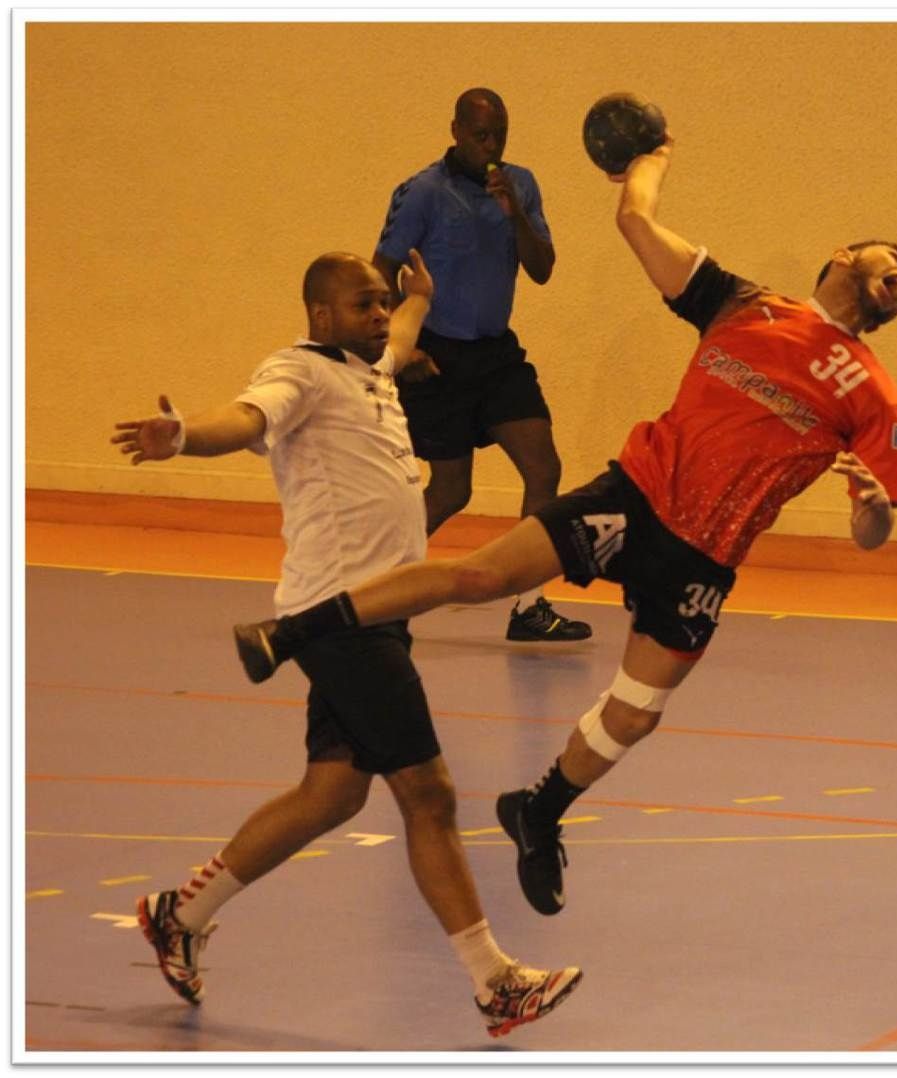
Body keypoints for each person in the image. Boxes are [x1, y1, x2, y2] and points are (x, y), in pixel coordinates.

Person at [232, 132, 897, 921]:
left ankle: (540, 808)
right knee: (481, 575)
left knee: (636, 712)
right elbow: (635, 222)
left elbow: (874, 533)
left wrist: (871, 513)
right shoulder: (744, 303)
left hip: (705, 556)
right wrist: (651, 158)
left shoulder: (876, 394)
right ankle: (293, 631)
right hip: (637, 496)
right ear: (844, 257)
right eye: (896, 259)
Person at [110, 249, 581, 1038]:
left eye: (381, 303)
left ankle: (179, 916)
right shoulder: (298, 373)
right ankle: (495, 981)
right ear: (321, 315)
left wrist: (418, 301)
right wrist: (184, 435)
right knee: (428, 793)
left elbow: (398, 340)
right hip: (340, 621)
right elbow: (247, 418)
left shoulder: (373, 366)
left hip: (380, 615)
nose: (378, 314)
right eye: (364, 304)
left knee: (331, 793)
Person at [374, 86, 591, 644]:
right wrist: (402, 347)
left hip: (495, 354)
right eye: (480, 135)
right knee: (452, 491)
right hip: (436, 356)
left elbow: (542, 268)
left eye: (500, 135)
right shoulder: (423, 191)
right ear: (455, 131)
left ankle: (530, 607)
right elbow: (380, 271)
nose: (491, 145)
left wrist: (514, 213)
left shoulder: (521, 185)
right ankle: (375, 595)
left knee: (543, 467)